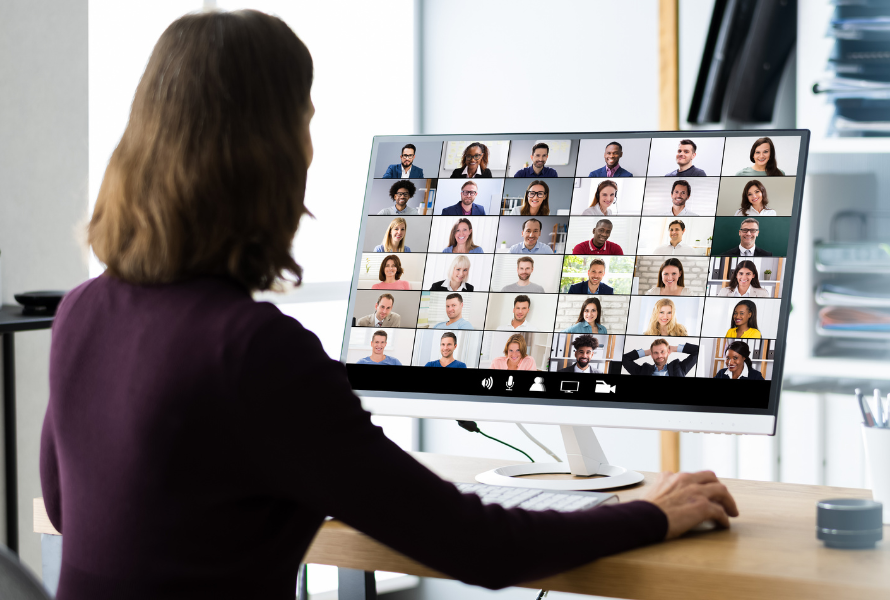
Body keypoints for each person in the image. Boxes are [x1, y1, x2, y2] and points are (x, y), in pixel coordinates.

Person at [53, 11, 735, 598]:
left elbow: (65, 506)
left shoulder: (79, 313)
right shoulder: (254, 351)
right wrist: (653, 511)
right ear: (267, 152)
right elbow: (479, 548)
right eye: (306, 121)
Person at [621, 339, 699, 377]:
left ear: (668, 352)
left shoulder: (678, 367)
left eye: (662, 352)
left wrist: (674, 348)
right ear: (651, 354)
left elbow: (697, 351)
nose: (659, 356)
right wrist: (648, 352)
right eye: (656, 353)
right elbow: (624, 359)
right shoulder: (643, 370)